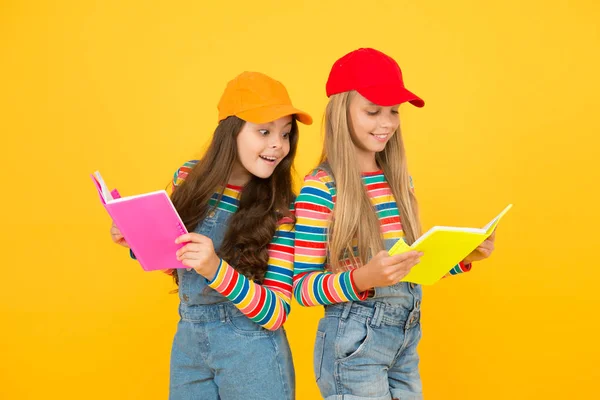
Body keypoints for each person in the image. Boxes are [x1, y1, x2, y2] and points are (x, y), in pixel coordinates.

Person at [293, 48, 496, 400]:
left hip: (405, 335)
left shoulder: (398, 180)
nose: (386, 123)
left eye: (394, 111)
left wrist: (463, 258)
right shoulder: (321, 188)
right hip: (354, 345)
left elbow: (410, 265)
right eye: (372, 111)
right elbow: (303, 287)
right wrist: (363, 278)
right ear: (342, 112)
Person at [111, 71, 312, 400]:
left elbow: (277, 313)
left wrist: (216, 270)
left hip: (252, 350)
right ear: (231, 132)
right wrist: (136, 241)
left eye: (286, 133)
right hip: (189, 343)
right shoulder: (189, 177)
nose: (278, 144)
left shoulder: (282, 207)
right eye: (264, 131)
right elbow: (175, 261)